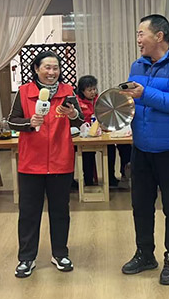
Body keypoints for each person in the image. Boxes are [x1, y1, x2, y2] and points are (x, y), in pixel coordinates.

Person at [120, 14, 169, 286]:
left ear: (159, 36)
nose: (138, 39)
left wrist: (145, 94)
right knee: (140, 206)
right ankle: (145, 254)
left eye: (141, 34)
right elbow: (132, 102)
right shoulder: (137, 65)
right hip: (141, 148)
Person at [8, 51, 84, 278]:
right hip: (31, 162)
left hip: (61, 161)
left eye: (55, 68)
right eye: (47, 67)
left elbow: (80, 120)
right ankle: (26, 258)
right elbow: (12, 121)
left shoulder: (68, 91)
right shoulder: (24, 92)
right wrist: (29, 122)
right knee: (29, 212)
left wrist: (72, 113)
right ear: (36, 69)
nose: (52, 72)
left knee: (60, 211)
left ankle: (60, 253)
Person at [76, 75, 129, 188]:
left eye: (94, 89)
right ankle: (89, 181)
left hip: (102, 133)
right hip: (85, 135)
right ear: (82, 91)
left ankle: (110, 178)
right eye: (89, 90)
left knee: (110, 148)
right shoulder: (78, 102)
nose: (93, 92)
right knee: (88, 154)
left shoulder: (100, 100)